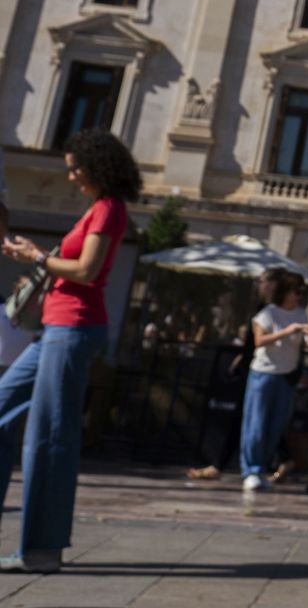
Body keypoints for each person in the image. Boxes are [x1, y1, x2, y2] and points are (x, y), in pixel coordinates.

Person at [0, 127, 141, 573]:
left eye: (76, 168)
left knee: (49, 437)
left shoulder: (109, 210)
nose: (72, 177)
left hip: (74, 330)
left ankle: (41, 549)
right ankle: (36, 545)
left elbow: (86, 269)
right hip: (54, 329)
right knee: (2, 409)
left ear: (98, 166)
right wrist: (38, 265)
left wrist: (38, 258)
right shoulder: (96, 210)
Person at [239, 267, 308, 491]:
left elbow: (305, 341)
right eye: (295, 291)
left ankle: (262, 467)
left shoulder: (301, 314)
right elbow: (259, 340)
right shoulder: (267, 313)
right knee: (257, 424)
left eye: (301, 292)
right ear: (284, 292)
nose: (298, 296)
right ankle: (250, 469)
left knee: (276, 426)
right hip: (264, 373)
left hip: (287, 375)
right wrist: (287, 331)